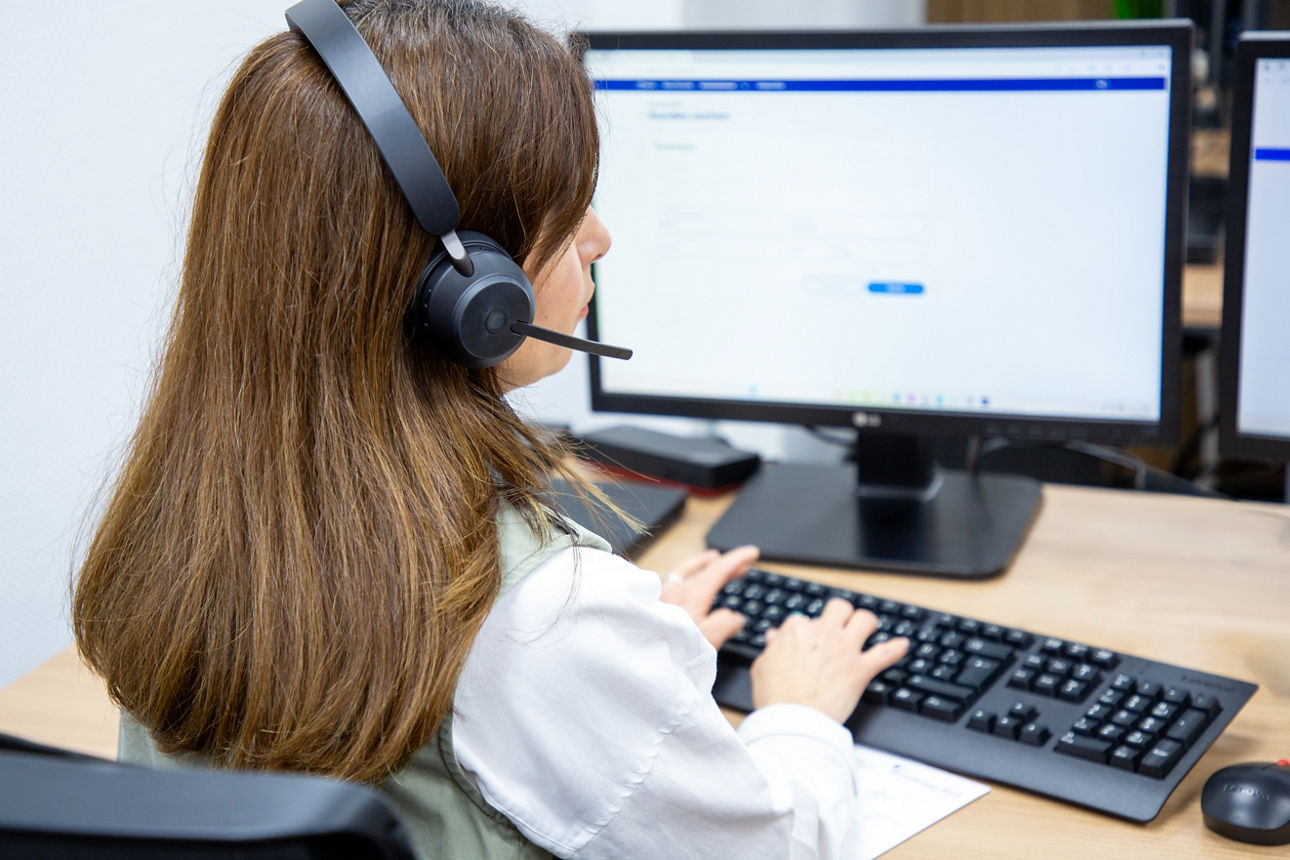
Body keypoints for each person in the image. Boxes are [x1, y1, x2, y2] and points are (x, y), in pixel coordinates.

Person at [71, 1, 909, 857]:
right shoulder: (545, 621)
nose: (600, 235)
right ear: (468, 288)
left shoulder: (183, 516)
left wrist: (628, 675)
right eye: (567, 203)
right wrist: (799, 710)